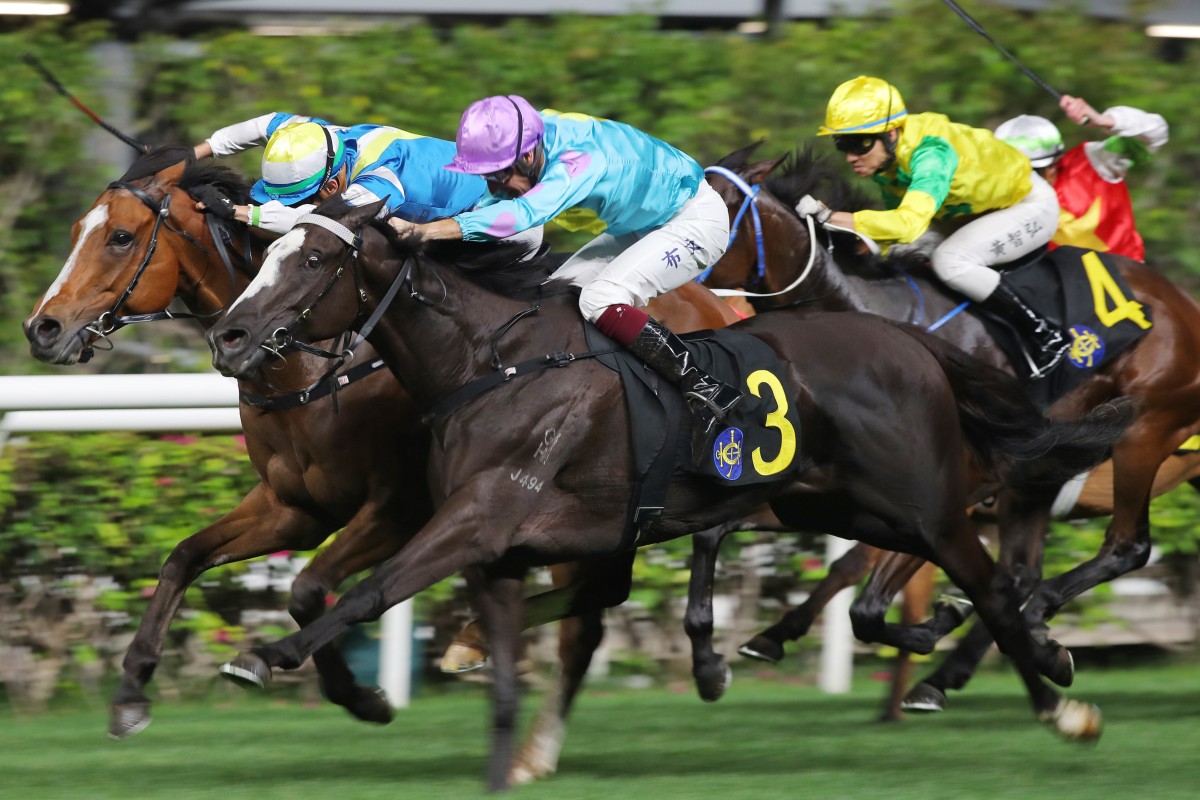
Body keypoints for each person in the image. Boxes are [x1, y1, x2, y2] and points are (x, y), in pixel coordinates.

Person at [387, 95, 738, 451]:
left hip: (693, 222)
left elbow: (520, 216)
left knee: (599, 299)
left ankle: (705, 390)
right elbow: (492, 204)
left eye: (496, 176)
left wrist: (428, 231)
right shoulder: (529, 135)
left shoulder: (578, 161)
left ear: (526, 157)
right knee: (555, 297)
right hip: (641, 223)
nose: (493, 187)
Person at [794, 76, 1067, 377]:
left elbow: (907, 224)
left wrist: (831, 216)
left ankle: (1044, 334)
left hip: (1028, 206)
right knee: (891, 251)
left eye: (859, 143)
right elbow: (895, 224)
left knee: (950, 261)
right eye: (842, 144)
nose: (851, 157)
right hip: (968, 214)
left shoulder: (931, 155)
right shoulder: (886, 159)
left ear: (892, 133)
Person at [191, 112, 489, 236]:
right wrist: (193, 154)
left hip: (497, 220)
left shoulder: (380, 181)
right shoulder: (317, 136)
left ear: (333, 185)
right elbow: (265, 124)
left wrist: (236, 212)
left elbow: (322, 223)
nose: (293, 206)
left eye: (300, 199)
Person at [995, 95, 1168, 261]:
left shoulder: (1094, 162)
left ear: (1054, 164)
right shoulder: (996, 197)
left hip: (1125, 280)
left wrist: (1105, 120)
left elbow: (1156, 133)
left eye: (1033, 171)